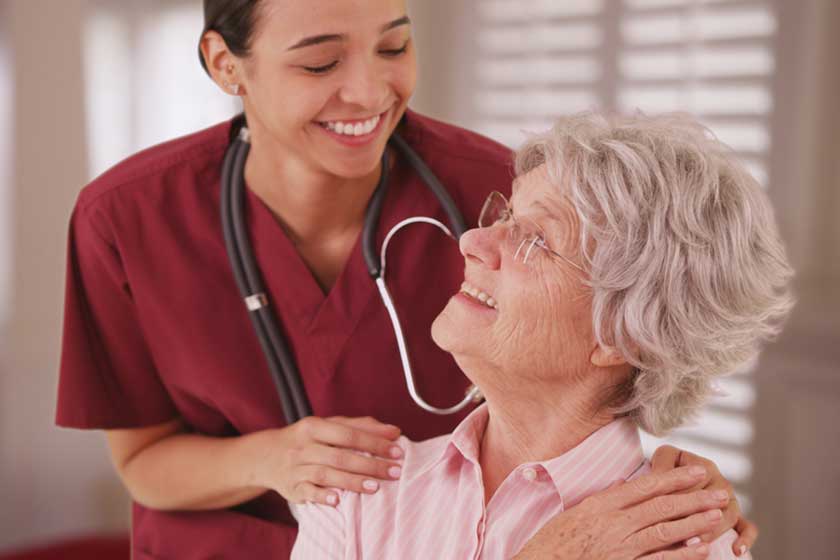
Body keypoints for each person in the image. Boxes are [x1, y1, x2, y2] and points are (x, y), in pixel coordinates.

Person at [55, 1, 755, 558]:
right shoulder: (126, 218)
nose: (367, 89)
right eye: (320, 61)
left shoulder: (489, 187)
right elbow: (142, 460)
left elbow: (631, 322)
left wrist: (671, 490)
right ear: (226, 64)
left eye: (393, 46)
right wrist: (275, 457)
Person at [292, 111, 793, 559]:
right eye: (507, 215)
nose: (472, 241)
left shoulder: (686, 549)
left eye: (536, 239)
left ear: (620, 335)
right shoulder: (359, 493)